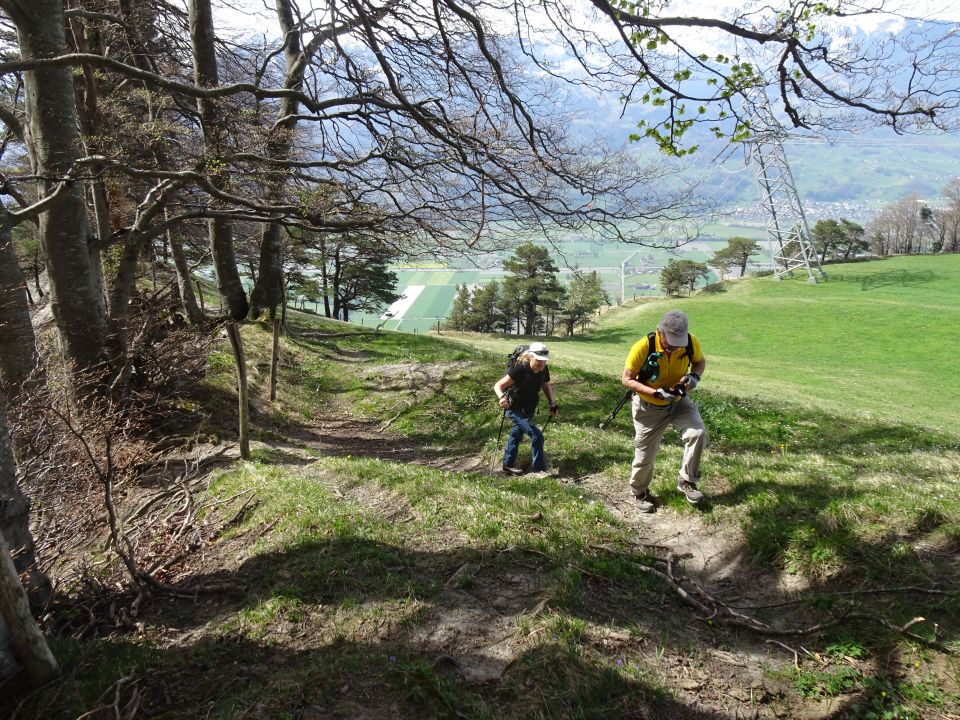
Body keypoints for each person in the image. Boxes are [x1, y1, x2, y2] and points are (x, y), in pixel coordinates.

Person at [621, 310, 707, 513]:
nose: (674, 347)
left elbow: (700, 362)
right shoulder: (643, 346)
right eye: (670, 342)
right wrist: (656, 393)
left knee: (698, 434)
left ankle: (686, 480)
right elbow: (626, 379)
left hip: (679, 401)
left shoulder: (690, 342)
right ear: (660, 332)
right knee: (645, 454)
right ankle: (640, 492)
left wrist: (694, 377)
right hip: (649, 407)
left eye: (678, 343)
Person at [493, 342, 558, 475]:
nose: (541, 363)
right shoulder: (520, 369)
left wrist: (552, 404)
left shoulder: (543, 369)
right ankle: (539, 470)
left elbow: (546, 386)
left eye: (544, 360)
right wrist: (501, 398)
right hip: (514, 408)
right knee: (537, 435)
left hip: (530, 408)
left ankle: (508, 464)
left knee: (516, 434)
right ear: (530, 357)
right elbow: (498, 385)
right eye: (538, 360)